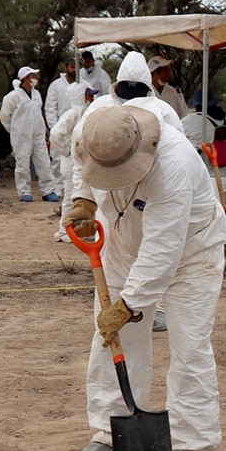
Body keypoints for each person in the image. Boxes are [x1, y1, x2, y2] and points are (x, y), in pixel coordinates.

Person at [60, 104, 226, 451]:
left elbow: (162, 249)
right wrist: (83, 200)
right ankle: (108, 430)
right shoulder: (91, 134)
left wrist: (129, 305)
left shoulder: (174, 164)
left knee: (190, 346)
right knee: (109, 341)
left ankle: (192, 447)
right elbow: (80, 169)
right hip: (120, 242)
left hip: (191, 251)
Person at [69, 51, 187, 333]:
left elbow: (175, 169)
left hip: (152, 203)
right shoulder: (97, 111)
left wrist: (130, 305)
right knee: (115, 279)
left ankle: (152, 308)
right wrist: (83, 200)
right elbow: (82, 156)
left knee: (156, 257)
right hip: (113, 210)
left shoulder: (164, 115)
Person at [0, 66, 59, 203]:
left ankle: (48, 190)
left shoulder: (36, 94)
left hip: (38, 134)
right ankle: (24, 192)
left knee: (44, 161)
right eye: (32, 76)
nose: (34, 79)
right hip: (21, 135)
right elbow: (4, 117)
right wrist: (15, 130)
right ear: (25, 79)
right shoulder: (13, 97)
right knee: (22, 163)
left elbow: (38, 113)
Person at [49, 82, 96, 243]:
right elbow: (55, 134)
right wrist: (67, 151)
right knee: (70, 197)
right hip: (70, 163)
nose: (91, 97)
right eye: (88, 94)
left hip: (79, 162)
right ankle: (64, 231)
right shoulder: (72, 114)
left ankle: (79, 229)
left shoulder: (85, 112)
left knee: (81, 196)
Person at [44, 59, 78, 202]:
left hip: (77, 127)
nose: (74, 70)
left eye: (76, 67)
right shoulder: (56, 86)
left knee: (75, 159)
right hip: (61, 127)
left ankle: (72, 188)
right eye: (72, 67)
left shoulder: (81, 84)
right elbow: (50, 107)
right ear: (66, 68)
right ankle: (57, 187)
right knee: (57, 159)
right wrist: (54, 128)